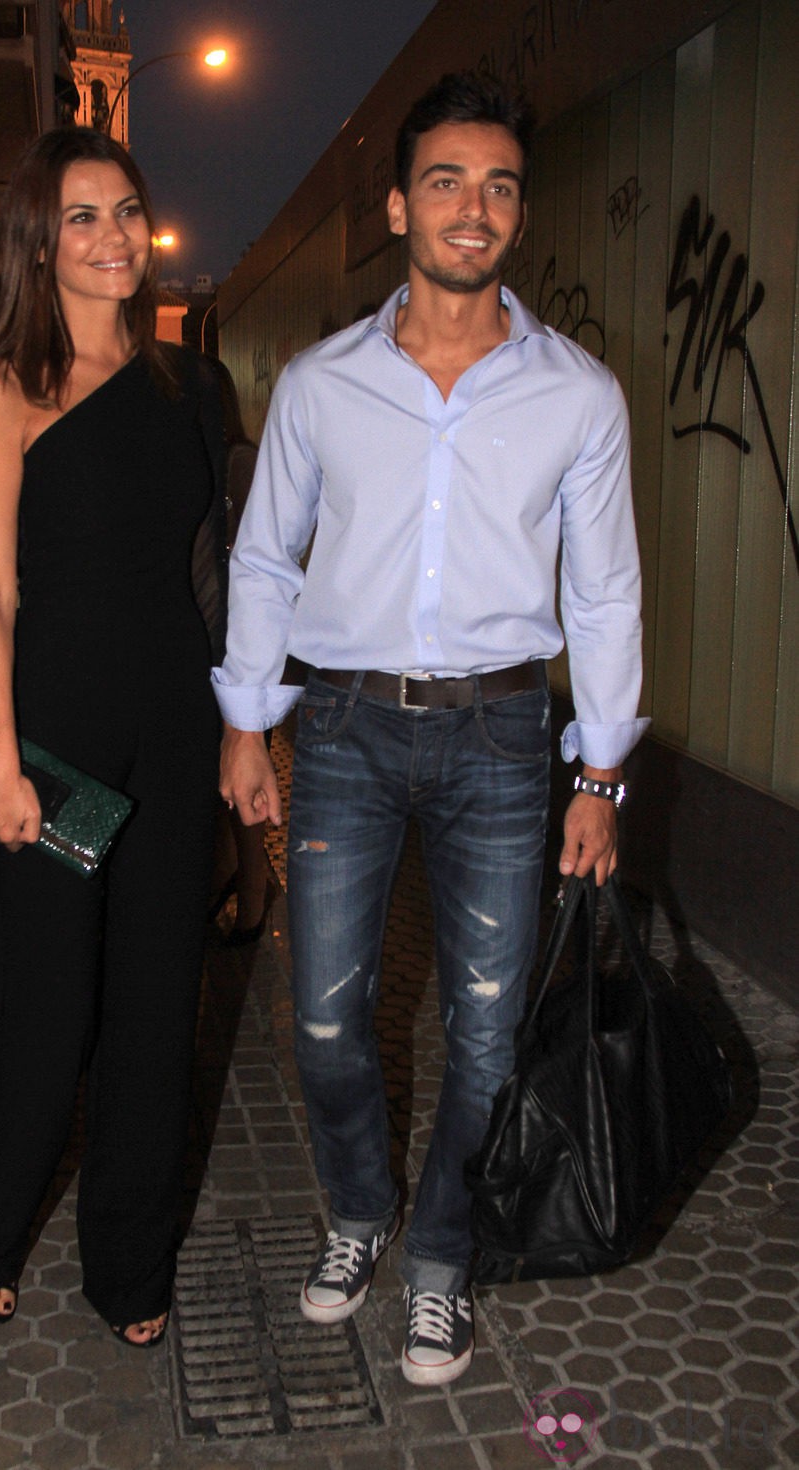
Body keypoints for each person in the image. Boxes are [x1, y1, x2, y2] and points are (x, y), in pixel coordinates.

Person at [215, 71, 649, 1387]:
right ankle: (361, 1211)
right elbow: (263, 561)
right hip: (342, 728)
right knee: (329, 1018)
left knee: (484, 1021)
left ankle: (444, 1259)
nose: (475, 207)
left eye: (500, 184)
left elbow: (606, 586)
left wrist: (604, 775)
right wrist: (249, 723)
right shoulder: (319, 384)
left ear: (519, 213)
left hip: (505, 739)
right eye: (448, 181)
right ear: (399, 204)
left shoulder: (578, 395)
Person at [0, 126, 225, 1347]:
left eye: (127, 211)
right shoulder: (2, 387)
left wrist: (241, 736)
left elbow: (213, 577)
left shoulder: (190, 386)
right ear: (38, 241)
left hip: (171, 732)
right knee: (54, 1010)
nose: (114, 237)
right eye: (82, 217)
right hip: (54, 752)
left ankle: (129, 1264)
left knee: (159, 1008)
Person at [204, 355, 278, 945]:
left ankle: (254, 893)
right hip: (210, 640)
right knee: (222, 777)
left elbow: (261, 559)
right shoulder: (204, 459)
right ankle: (241, 879)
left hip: (243, 648)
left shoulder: (241, 461)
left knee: (245, 777)